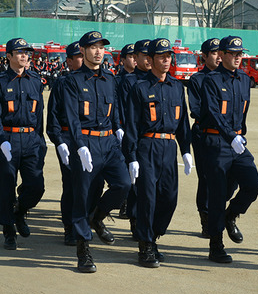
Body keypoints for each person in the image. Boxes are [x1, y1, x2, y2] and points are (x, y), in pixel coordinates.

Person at [62, 31, 131, 273]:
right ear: (82, 50)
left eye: (101, 46)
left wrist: (119, 130)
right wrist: (79, 145)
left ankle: (98, 216)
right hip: (86, 143)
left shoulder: (110, 79)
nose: (98, 51)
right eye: (92, 47)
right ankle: (83, 250)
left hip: (109, 143)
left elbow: (116, 112)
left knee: (123, 184)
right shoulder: (72, 81)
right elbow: (71, 118)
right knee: (82, 196)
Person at [123, 38, 192, 268]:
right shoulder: (139, 88)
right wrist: (131, 157)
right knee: (148, 198)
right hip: (147, 147)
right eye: (162, 56)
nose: (166, 60)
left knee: (169, 199)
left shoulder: (177, 87)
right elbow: (132, 125)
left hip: (169, 147)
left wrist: (186, 150)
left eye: (169, 56)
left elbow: (183, 122)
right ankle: (146, 245)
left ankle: (154, 235)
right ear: (150, 60)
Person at [199, 36, 258, 263]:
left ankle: (231, 215)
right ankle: (216, 244)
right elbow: (213, 112)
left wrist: (238, 135)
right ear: (222, 55)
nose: (237, 58)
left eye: (240, 54)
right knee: (217, 194)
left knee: (253, 184)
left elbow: (243, 112)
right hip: (217, 143)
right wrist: (229, 135)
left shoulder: (245, 80)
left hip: (237, 142)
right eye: (233, 54)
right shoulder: (211, 80)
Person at [0, 38, 46, 249]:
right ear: (9, 56)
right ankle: (9, 230)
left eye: (26, 53)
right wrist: (0, 139)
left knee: (36, 185)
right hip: (8, 139)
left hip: (31, 139)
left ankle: (20, 210)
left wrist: (40, 141)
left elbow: (39, 114)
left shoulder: (35, 81)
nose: (24, 56)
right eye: (19, 52)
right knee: (6, 186)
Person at [46, 41, 85, 246]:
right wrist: (59, 141)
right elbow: (53, 117)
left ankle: (86, 221)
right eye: (78, 56)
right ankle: (70, 226)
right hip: (69, 138)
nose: (82, 58)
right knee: (71, 184)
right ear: (69, 61)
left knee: (90, 184)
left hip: (93, 138)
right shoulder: (62, 84)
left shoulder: (98, 79)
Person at [115, 39, 150, 232]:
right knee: (133, 177)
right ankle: (133, 215)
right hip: (132, 134)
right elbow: (123, 109)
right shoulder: (126, 81)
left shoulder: (154, 79)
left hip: (151, 137)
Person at [187, 37, 220, 238]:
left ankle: (222, 214)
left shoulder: (231, 77)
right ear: (204, 56)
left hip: (228, 137)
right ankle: (206, 219)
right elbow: (196, 109)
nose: (218, 56)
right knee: (206, 179)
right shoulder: (197, 80)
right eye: (214, 53)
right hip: (204, 134)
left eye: (220, 52)